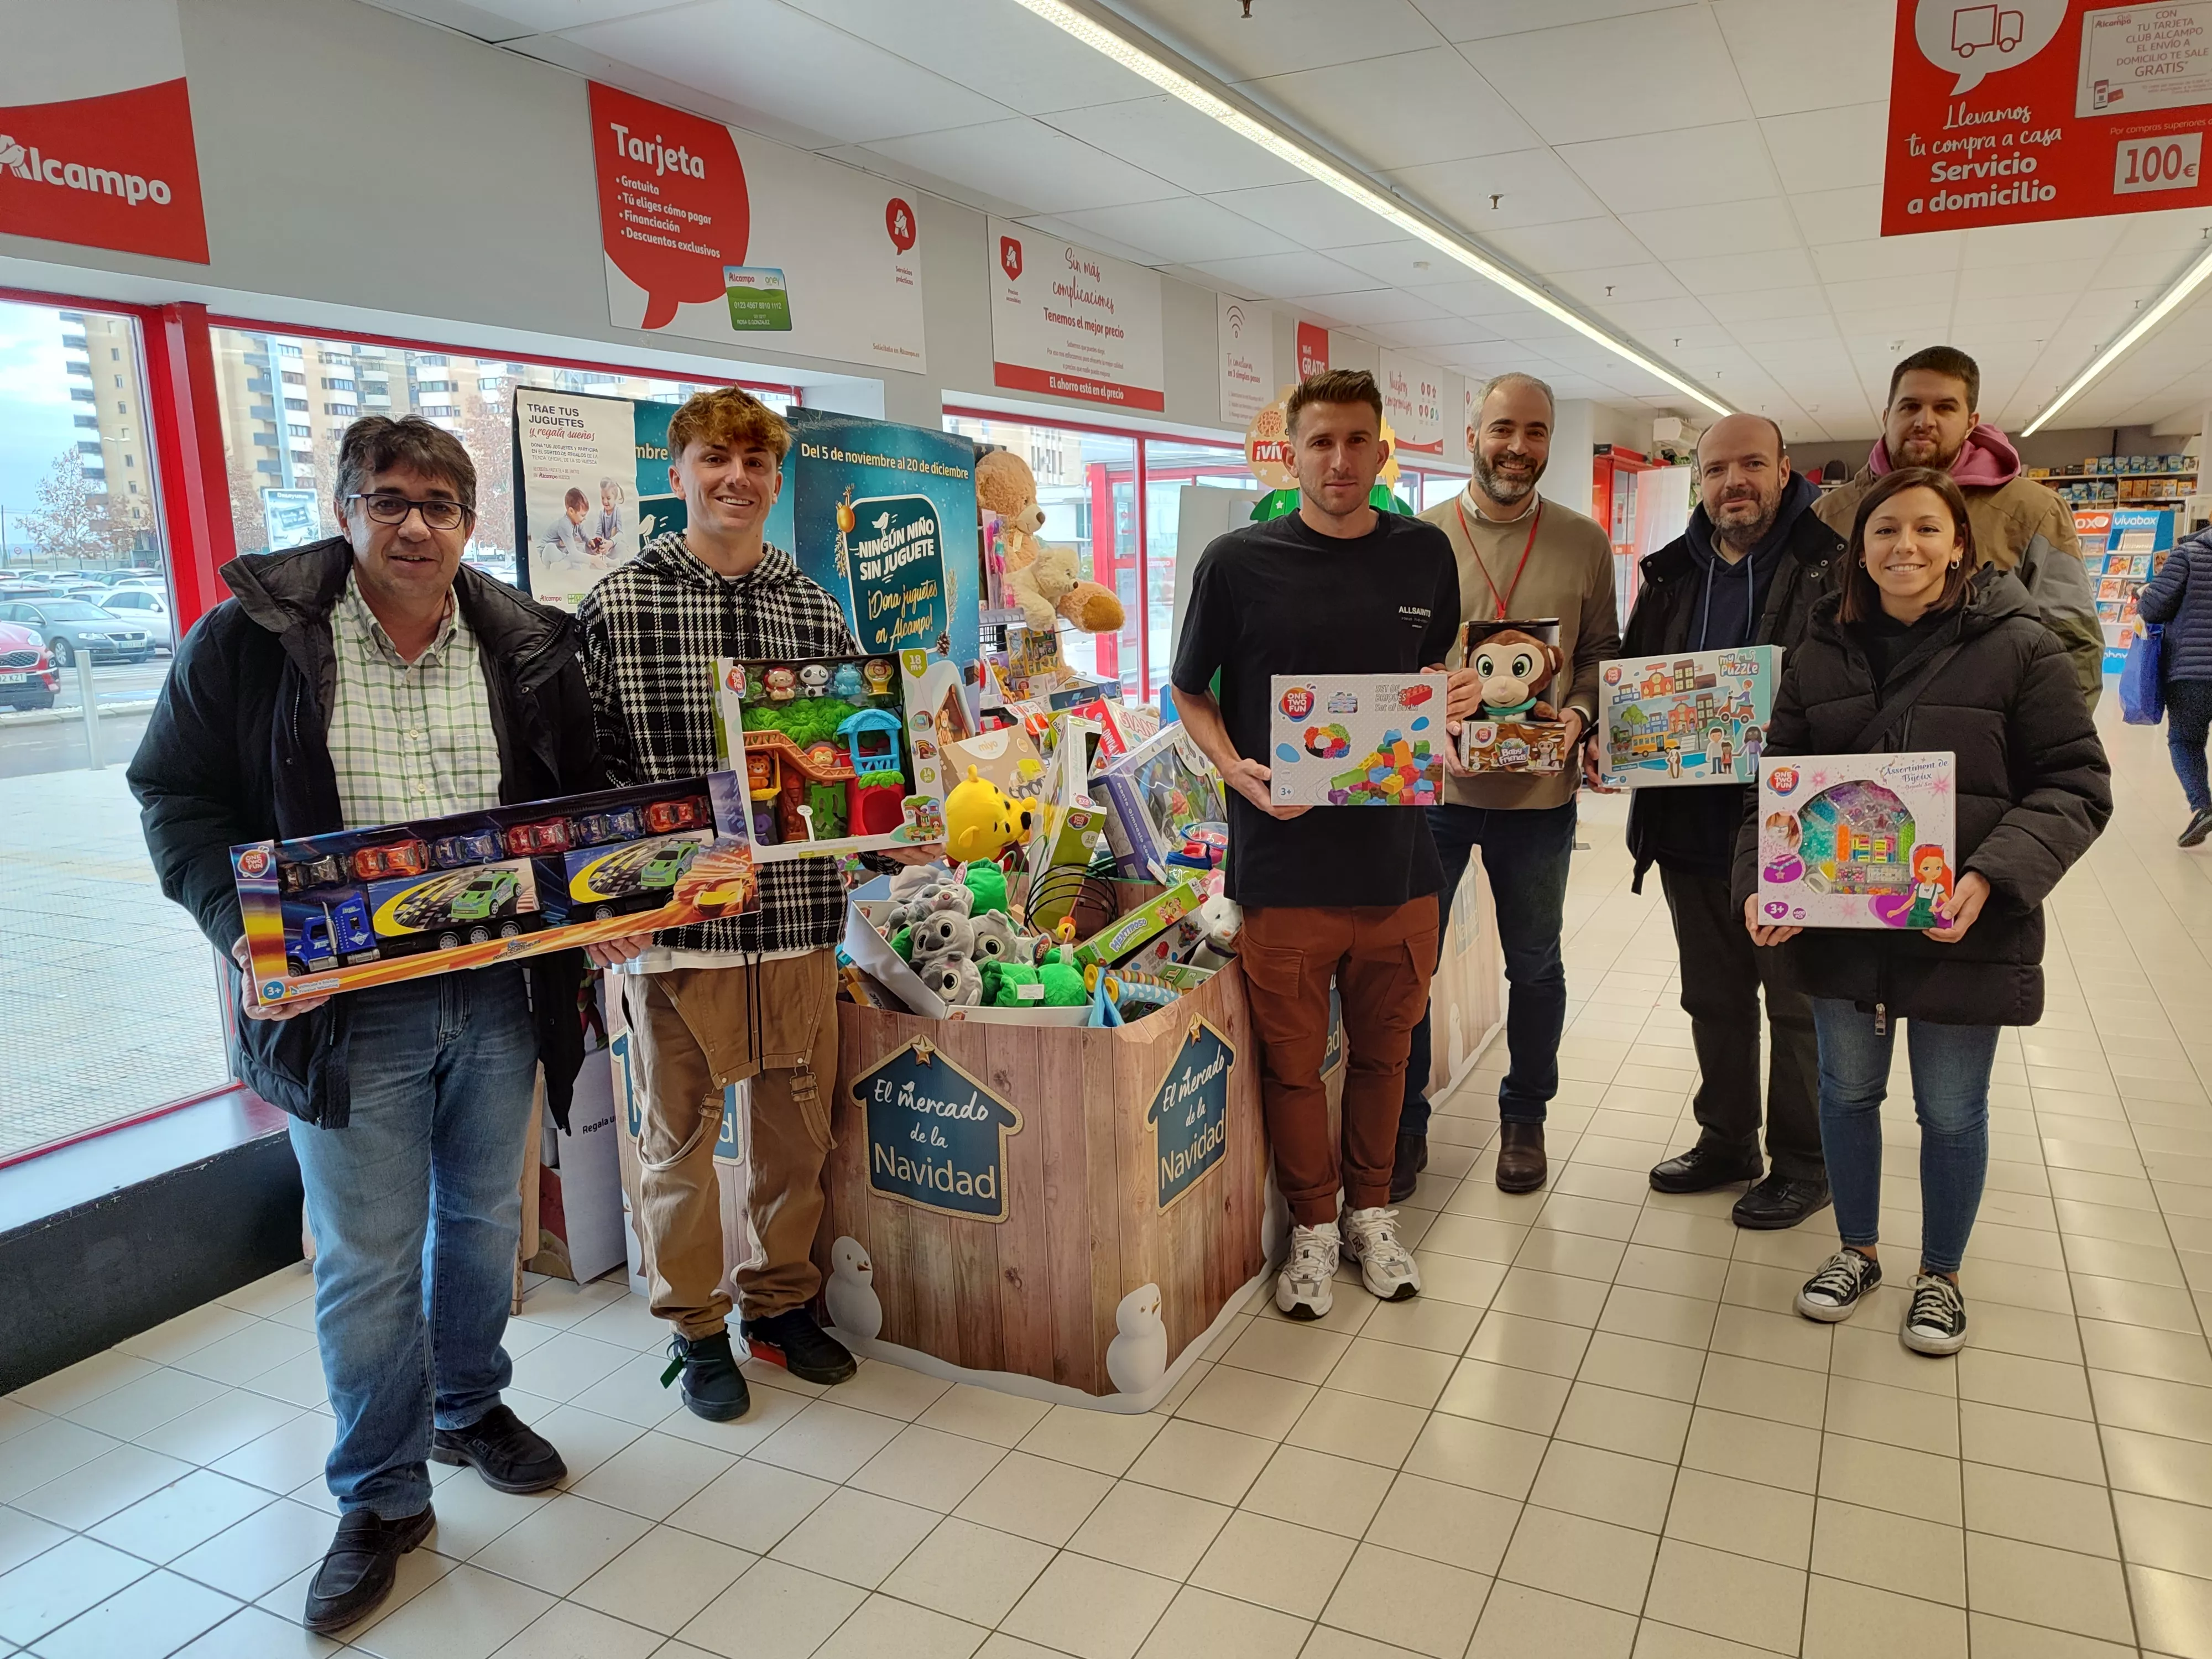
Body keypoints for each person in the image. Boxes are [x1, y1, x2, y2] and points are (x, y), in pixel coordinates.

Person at [129, 417, 624, 1635]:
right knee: (365, 1258)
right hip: (345, 1014)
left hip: (497, 992)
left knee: (485, 1225)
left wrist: (609, 891)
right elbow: (172, 793)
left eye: (440, 505)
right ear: (344, 508)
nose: (414, 525)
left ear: (468, 523)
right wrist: (242, 929)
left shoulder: (522, 645)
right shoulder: (252, 640)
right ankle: (381, 1495)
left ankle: (467, 1407)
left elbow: (580, 797)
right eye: (387, 500)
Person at [1737, 467, 2109, 1354]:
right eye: (1885, 531)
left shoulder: (2022, 645)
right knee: (1846, 1093)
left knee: (1950, 1110)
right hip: (1838, 926)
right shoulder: (1818, 653)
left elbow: (2077, 783)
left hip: (1961, 924)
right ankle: (1856, 1250)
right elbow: (1774, 785)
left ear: (1959, 545)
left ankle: (1940, 1274)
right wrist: (1763, 877)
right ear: (1858, 550)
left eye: (1926, 530)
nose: (1905, 547)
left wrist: (1990, 876)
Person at [577, 387, 860, 1421]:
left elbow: (844, 767)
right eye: (714, 458)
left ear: (777, 479)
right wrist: (611, 911)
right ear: (678, 471)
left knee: (796, 1133)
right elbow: (591, 775)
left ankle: (779, 1309)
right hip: (675, 934)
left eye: (755, 460)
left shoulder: (814, 608)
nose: (736, 476)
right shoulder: (620, 605)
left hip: (792, 922)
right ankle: (696, 1330)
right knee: (678, 1145)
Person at [1173, 368, 1459, 1320]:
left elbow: (1435, 675)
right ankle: (1311, 1226)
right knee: (1294, 1067)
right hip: (1283, 869)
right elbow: (1191, 691)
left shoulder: (1425, 555)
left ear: (1384, 452)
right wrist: (1236, 771)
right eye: (1320, 442)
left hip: (1401, 866)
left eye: (1357, 441)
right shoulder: (1236, 560)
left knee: (1385, 1059)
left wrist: (1453, 707)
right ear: (1289, 452)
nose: (1339, 460)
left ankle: (1371, 1214)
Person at [1618, 415, 1841, 1229]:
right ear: (1699, 482)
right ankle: (1727, 1140)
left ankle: (1804, 1160)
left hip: (1792, 831)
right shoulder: (1672, 573)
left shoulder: (1830, 568)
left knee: (1794, 1004)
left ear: (1785, 470)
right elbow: (1634, 684)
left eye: (1752, 463)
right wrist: (1618, 742)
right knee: (1713, 997)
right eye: (1717, 469)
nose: (1733, 482)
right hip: (1687, 825)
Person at [1404, 372, 1619, 1197]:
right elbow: (1396, 666)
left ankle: (1524, 1115)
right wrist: (1433, 717)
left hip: (1541, 799)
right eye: (1503, 429)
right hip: (1440, 798)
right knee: (1410, 964)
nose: (1517, 448)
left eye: (1534, 432)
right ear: (1472, 434)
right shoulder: (1417, 540)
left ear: (1549, 442)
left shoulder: (1583, 542)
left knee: (1533, 964)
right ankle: (1405, 1123)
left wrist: (1581, 716)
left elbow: (1603, 652)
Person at [1815, 346, 2102, 705]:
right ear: (1887, 415)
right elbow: (1807, 635)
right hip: (1854, 743)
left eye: (1944, 407)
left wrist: (2049, 742)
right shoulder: (1830, 513)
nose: (1924, 421)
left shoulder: (2034, 511)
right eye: (1910, 406)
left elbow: (2073, 642)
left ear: (1971, 422)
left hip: (1982, 734)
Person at [2137, 523, 2212, 847]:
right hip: (2193, 669)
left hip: (2192, 671)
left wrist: (2144, 594)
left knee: (2185, 740)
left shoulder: (2188, 555)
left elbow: (2154, 608)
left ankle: (2203, 806)